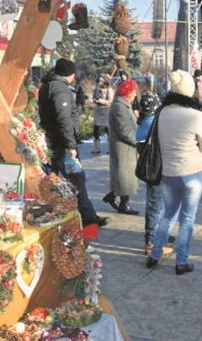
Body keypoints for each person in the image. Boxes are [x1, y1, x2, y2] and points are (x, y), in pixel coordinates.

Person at [146, 70, 202, 275]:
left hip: (168, 173)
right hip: (193, 172)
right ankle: (181, 262)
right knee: (187, 219)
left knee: (168, 215)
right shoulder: (196, 115)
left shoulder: (162, 112)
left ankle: (155, 254)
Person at [38, 58, 109, 228]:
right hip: (62, 144)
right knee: (77, 179)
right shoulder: (60, 89)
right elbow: (64, 118)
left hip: (51, 142)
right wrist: (70, 144)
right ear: (69, 74)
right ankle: (88, 219)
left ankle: (54, 214)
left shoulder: (47, 85)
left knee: (50, 181)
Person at [136, 87, 175, 256]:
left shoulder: (143, 122)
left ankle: (157, 237)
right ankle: (152, 243)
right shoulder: (155, 122)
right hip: (157, 170)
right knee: (156, 205)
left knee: (154, 204)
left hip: (149, 170)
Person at [103, 79, 139, 216]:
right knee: (125, 177)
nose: (135, 95)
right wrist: (139, 142)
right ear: (128, 93)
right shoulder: (119, 107)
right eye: (134, 92)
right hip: (123, 147)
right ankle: (124, 204)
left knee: (125, 176)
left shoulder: (124, 105)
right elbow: (125, 131)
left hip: (126, 148)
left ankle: (113, 197)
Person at [90, 74, 113, 155]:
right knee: (95, 129)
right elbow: (93, 97)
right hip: (98, 111)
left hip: (106, 111)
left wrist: (100, 100)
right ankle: (97, 148)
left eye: (101, 81)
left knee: (107, 130)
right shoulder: (96, 88)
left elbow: (110, 101)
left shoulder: (109, 89)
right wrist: (94, 100)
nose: (99, 83)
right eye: (98, 81)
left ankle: (111, 148)